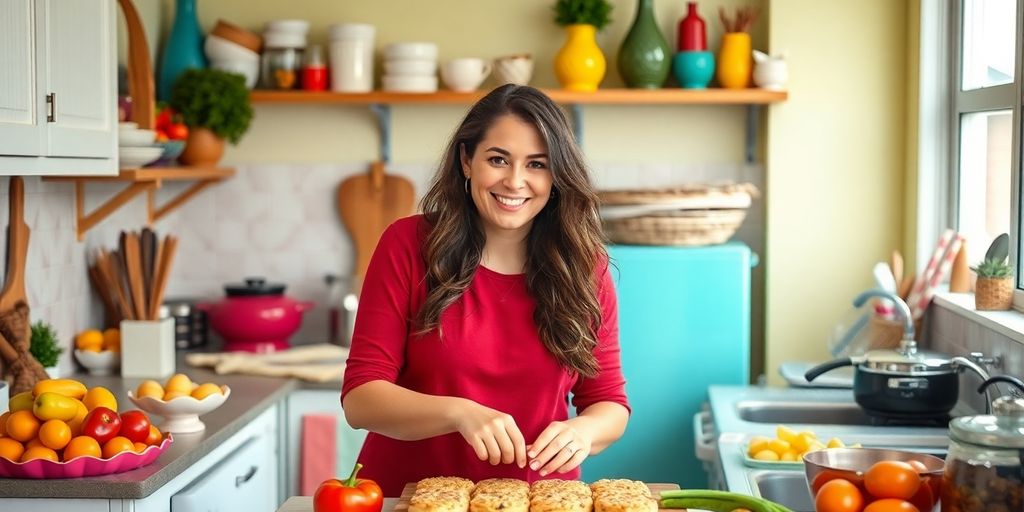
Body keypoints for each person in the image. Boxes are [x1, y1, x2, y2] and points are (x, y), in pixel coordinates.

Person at [341, 84, 630, 496]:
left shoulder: (585, 266)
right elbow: (361, 398)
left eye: (537, 164)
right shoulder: (407, 244)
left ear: (557, 175)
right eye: (498, 159)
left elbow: (608, 402)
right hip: (409, 498)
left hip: (536, 501)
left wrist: (584, 431)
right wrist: (459, 413)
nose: (515, 181)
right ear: (466, 161)